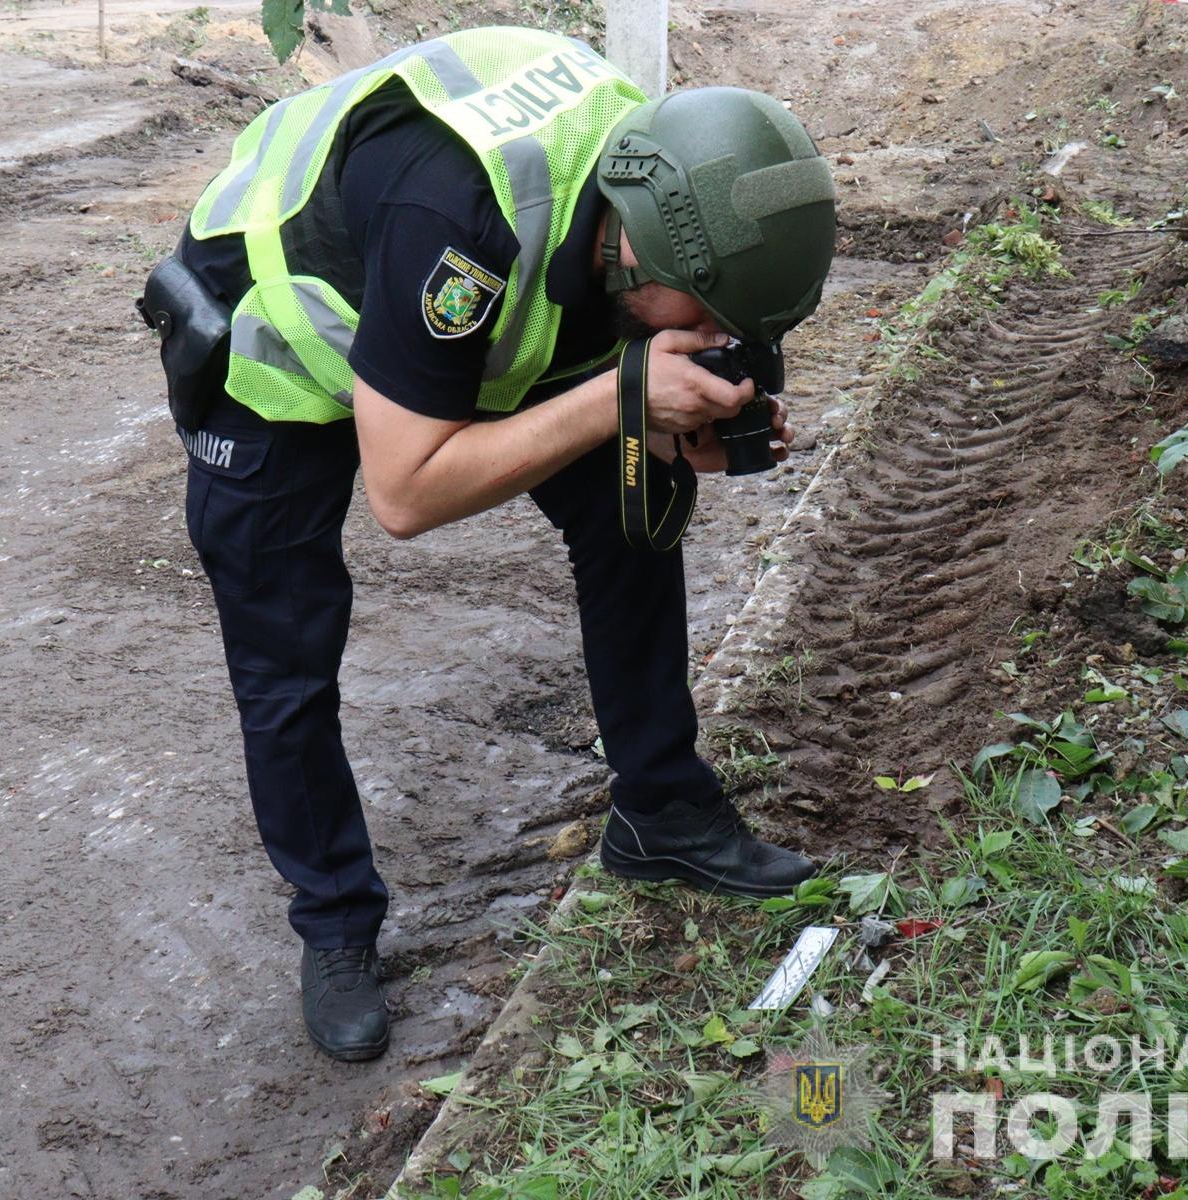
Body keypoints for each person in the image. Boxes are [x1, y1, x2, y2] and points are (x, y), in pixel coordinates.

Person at [155, 25, 836, 1062]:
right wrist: (623, 393)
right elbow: (408, 489)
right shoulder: (462, 226)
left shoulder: (656, 176)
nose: (712, 339)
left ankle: (662, 812)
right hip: (273, 339)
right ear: (637, 251)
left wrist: (676, 427)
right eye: (703, 321)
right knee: (286, 651)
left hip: (436, 305)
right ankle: (335, 924)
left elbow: (616, 362)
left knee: (626, 492)